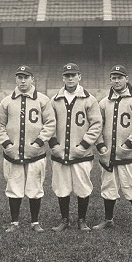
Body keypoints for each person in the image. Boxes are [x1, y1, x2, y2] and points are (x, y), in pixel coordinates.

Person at [0, 66, 55, 233]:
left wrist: (39, 142)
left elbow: (50, 124)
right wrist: (6, 143)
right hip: (13, 152)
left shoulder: (43, 100)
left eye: (26, 77)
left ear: (32, 79)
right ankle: (14, 222)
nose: (22, 81)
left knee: (35, 187)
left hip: (35, 153)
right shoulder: (7, 101)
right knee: (14, 187)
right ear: (15, 79)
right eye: (19, 77)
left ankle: (35, 222)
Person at [91, 65, 132, 232]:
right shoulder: (103, 102)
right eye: (113, 78)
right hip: (109, 155)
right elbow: (97, 126)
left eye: (120, 77)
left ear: (127, 79)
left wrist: (129, 143)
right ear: (110, 80)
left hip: (130, 155)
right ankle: (108, 219)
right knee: (108, 187)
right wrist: (101, 146)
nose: (116, 81)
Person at [47, 63, 101, 232]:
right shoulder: (55, 100)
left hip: (82, 153)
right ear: (63, 78)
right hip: (60, 152)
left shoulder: (89, 99)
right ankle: (64, 219)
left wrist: (83, 145)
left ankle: (82, 220)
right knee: (61, 187)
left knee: (82, 186)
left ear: (79, 76)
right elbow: (49, 124)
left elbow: (96, 125)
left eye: (73, 75)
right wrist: (54, 145)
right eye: (67, 76)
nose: (70, 78)